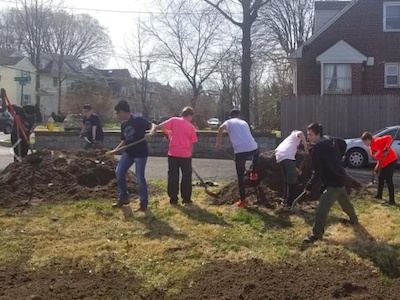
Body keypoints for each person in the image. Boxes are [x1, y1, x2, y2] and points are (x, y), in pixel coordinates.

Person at [303, 123, 358, 244]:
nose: (308, 137)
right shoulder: (330, 139)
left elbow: (317, 172)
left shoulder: (317, 150)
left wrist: (309, 186)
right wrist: (338, 158)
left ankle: (316, 234)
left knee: (322, 208)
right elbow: (343, 143)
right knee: (345, 202)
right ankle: (354, 220)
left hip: (333, 182)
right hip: (340, 177)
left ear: (318, 134)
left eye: (310, 135)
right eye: (308, 134)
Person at [108, 100, 155, 210]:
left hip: (140, 153)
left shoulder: (138, 120)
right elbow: (124, 141)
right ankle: (124, 198)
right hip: (128, 152)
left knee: (139, 177)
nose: (117, 115)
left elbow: (153, 125)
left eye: (117, 113)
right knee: (119, 172)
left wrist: (151, 133)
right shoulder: (124, 124)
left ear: (122, 111)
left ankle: (143, 203)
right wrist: (115, 150)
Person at [150, 107, 198, 206]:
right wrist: (190, 156)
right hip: (185, 155)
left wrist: (168, 133)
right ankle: (186, 198)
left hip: (173, 153)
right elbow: (191, 144)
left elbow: (160, 126)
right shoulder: (191, 127)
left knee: (173, 176)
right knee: (186, 177)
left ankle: (173, 199)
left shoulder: (174, 120)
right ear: (190, 116)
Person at [215, 108, 259, 208]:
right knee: (257, 152)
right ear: (239, 115)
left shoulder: (229, 122)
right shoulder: (244, 122)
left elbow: (221, 128)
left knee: (240, 177)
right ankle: (253, 173)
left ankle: (243, 200)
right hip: (253, 147)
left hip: (240, 151)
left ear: (230, 116)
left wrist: (218, 142)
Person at [361, 131, 397, 206]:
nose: (365, 144)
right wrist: (376, 168)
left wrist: (386, 147)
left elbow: (389, 137)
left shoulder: (377, 141)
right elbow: (379, 159)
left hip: (391, 160)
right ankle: (379, 195)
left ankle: (392, 201)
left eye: (365, 142)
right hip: (384, 162)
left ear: (368, 140)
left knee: (388, 179)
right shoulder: (371, 148)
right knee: (380, 177)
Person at [275, 130, 309, 207]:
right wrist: (306, 146)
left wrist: (296, 170)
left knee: (287, 180)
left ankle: (285, 201)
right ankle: (290, 204)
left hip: (280, 156)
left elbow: (288, 161)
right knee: (292, 182)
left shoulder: (289, 143)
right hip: (286, 156)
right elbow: (300, 133)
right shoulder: (294, 134)